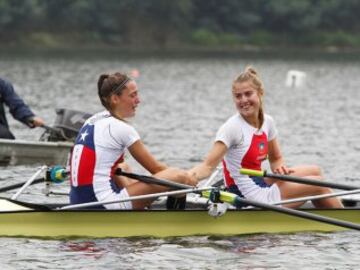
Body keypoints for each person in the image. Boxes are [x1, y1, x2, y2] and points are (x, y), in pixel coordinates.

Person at [189, 66, 343, 209]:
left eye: (248, 94)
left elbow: (276, 158)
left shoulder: (267, 122)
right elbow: (207, 166)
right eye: (238, 96)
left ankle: (325, 209)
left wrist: (279, 167)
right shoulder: (231, 128)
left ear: (260, 93)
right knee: (318, 184)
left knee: (315, 170)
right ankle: (343, 222)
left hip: (259, 182)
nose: (243, 100)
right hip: (245, 196)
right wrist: (188, 177)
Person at [69, 72, 196, 210]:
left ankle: (141, 209)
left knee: (123, 167)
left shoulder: (94, 119)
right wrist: (189, 181)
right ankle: (175, 223)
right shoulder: (122, 129)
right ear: (115, 99)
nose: (138, 100)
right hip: (101, 204)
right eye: (132, 95)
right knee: (179, 177)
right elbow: (156, 169)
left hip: (78, 201)